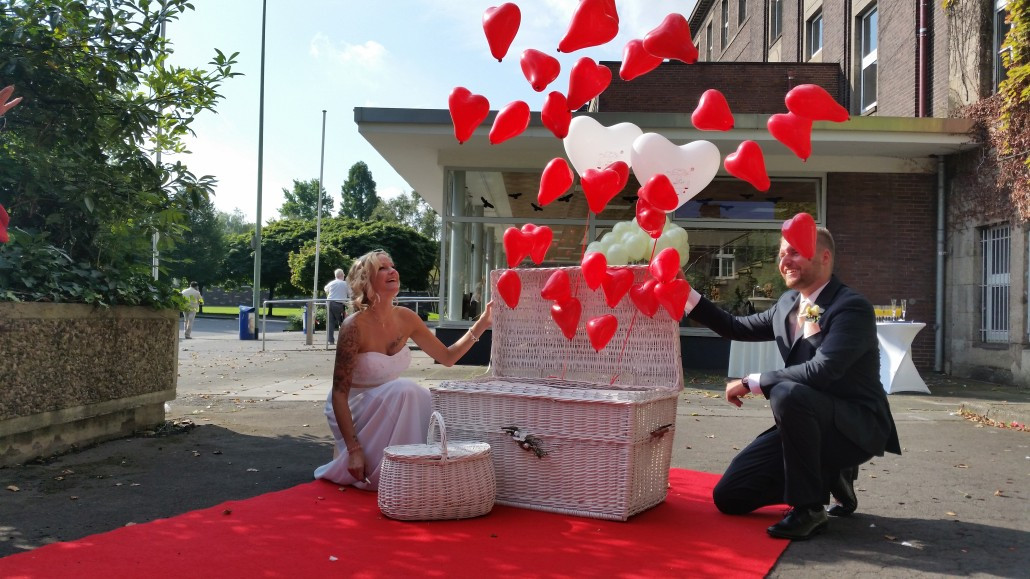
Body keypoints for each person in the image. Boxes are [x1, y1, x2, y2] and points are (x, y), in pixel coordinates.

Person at [683, 223, 900, 540]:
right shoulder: (787, 304)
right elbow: (735, 327)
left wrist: (752, 381)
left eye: (795, 252)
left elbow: (823, 370)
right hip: (805, 423)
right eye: (782, 253)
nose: (785, 259)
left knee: (785, 392)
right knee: (729, 496)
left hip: (854, 427)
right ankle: (829, 476)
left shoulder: (852, 307)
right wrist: (684, 293)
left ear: (825, 258)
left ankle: (809, 507)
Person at [314, 250, 493, 490]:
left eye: (392, 266)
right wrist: (354, 450)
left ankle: (424, 467)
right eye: (382, 268)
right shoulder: (353, 327)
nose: (392, 271)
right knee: (406, 389)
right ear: (366, 281)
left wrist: (483, 323)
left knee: (431, 399)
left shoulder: (407, 318)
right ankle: (396, 470)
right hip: (355, 408)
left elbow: (447, 358)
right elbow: (339, 394)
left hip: (394, 401)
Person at [324, 268, 350, 345]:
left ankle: (330, 340)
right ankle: (343, 340)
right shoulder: (345, 284)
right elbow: (351, 293)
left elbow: (326, 289)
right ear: (342, 275)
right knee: (342, 322)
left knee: (330, 322)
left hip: (329, 303)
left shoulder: (332, 283)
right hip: (339, 304)